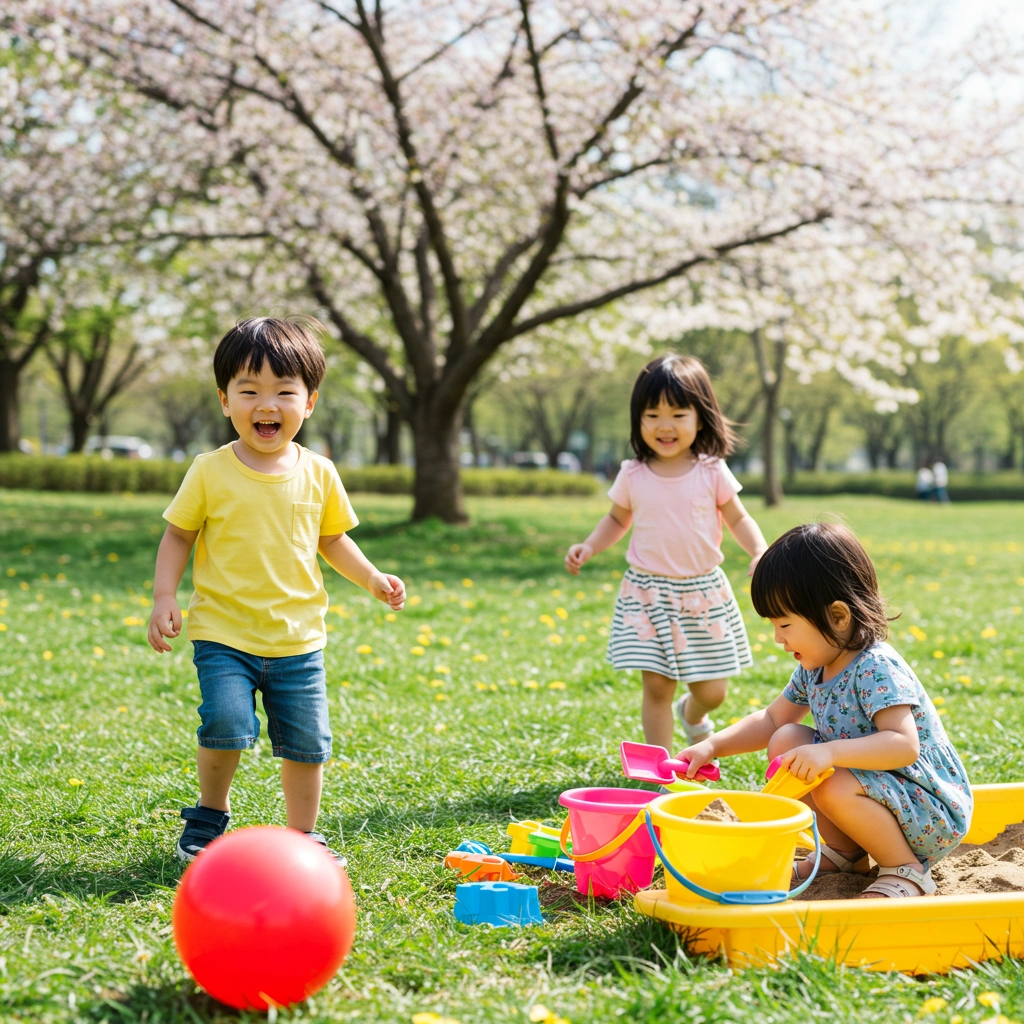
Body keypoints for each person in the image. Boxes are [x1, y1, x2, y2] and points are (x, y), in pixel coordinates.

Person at [147, 317, 406, 865]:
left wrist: (373, 578)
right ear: (225, 400)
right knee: (224, 723)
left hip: (298, 639)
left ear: (309, 402)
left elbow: (332, 540)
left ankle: (302, 834)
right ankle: (210, 814)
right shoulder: (209, 471)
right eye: (249, 390)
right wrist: (164, 597)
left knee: (308, 743)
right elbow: (178, 535)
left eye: (284, 391)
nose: (267, 404)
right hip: (224, 633)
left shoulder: (319, 472)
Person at [678, 522, 972, 898]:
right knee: (786, 740)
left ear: (838, 616)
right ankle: (845, 853)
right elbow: (771, 720)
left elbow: (903, 745)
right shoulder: (815, 668)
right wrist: (711, 746)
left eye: (784, 624)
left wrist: (828, 751)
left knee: (829, 776)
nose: (778, 639)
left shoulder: (875, 667)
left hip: (926, 804)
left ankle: (907, 870)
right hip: (878, 793)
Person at [565, 354, 767, 750]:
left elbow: (738, 518)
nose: (664, 425)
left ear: (700, 417)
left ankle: (692, 714)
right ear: (638, 420)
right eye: (652, 414)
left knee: (713, 691)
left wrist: (759, 550)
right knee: (656, 686)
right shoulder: (633, 473)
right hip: (648, 593)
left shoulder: (711, 471)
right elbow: (616, 520)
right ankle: (659, 771)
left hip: (703, 593)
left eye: (677, 413)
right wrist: (589, 545)